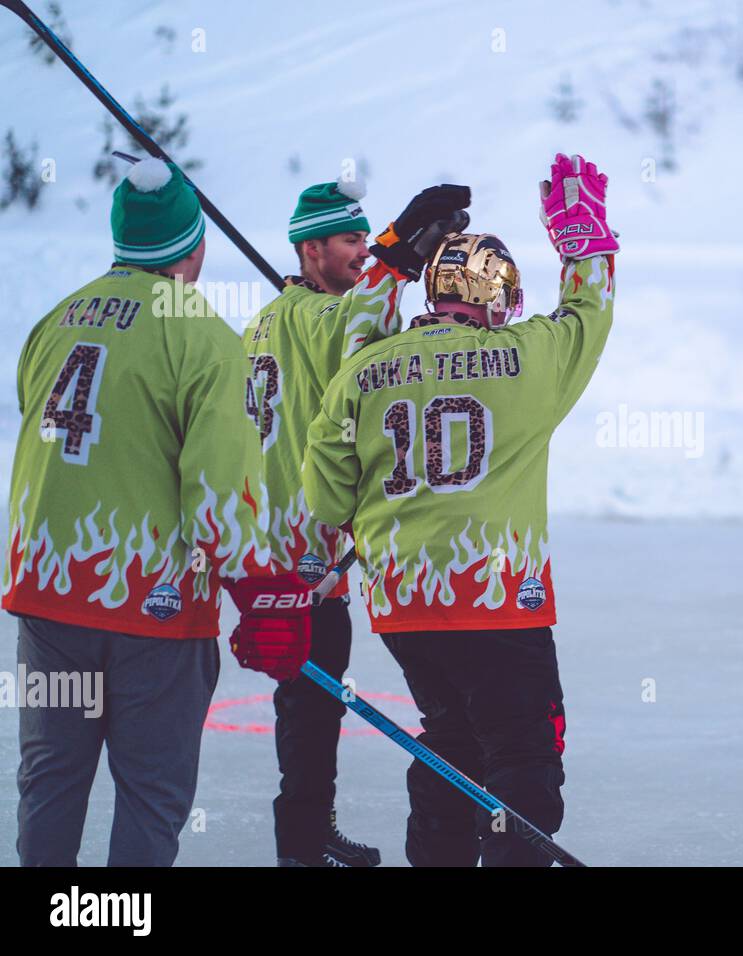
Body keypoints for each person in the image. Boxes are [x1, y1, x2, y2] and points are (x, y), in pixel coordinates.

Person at [300, 153, 617, 866]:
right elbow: (587, 310)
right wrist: (581, 234)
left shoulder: (365, 367)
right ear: (497, 296)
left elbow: (324, 496)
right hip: (499, 602)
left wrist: (389, 260)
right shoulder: (529, 358)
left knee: (451, 741)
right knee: (523, 759)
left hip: (404, 607)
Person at [3, 158, 269, 865]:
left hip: (50, 596)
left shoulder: (56, 320)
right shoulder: (206, 339)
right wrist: (260, 595)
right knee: (151, 793)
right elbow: (216, 497)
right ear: (195, 247)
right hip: (154, 609)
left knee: (51, 783)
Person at [240, 177, 471, 866]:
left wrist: (391, 261)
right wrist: (400, 252)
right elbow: (359, 332)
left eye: (366, 241)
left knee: (308, 702)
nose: (359, 253)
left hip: (289, 536)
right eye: (350, 242)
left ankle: (309, 832)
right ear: (310, 250)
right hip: (306, 547)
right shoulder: (314, 320)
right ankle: (302, 845)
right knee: (310, 708)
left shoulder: (271, 319)